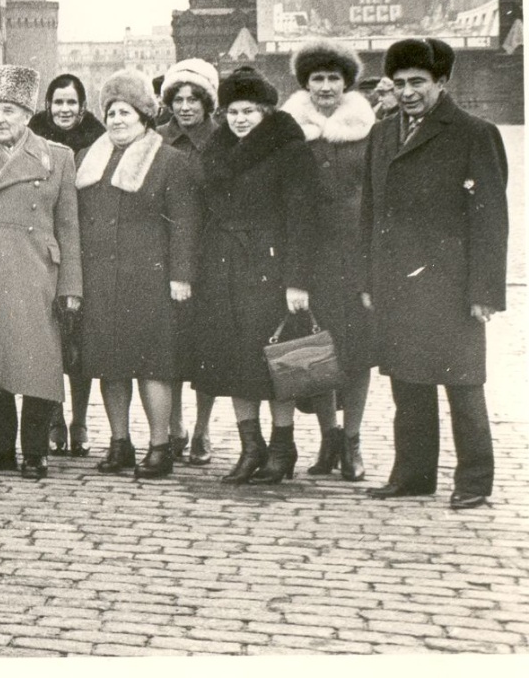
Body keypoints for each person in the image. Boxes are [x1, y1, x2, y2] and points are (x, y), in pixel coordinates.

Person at [364, 38, 509, 511]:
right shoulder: (382, 134)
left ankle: (474, 480)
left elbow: (490, 218)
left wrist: (485, 290)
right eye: (399, 83)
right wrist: (369, 279)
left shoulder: (473, 132)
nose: (407, 92)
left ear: (442, 83)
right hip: (397, 282)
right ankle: (413, 474)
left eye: (418, 83)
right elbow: (371, 211)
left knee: (463, 384)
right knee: (407, 382)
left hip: (451, 285)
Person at [185, 66, 318, 485]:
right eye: (232, 112)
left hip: (270, 267)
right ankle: (251, 447)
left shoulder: (290, 149)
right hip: (222, 268)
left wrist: (297, 280)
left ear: (265, 111)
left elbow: (303, 218)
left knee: (274, 360)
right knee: (232, 360)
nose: (239, 119)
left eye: (249, 111)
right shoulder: (216, 150)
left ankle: (282, 448)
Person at [0, 64, 81, 480]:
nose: (0, 118)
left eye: (9, 110)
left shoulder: (57, 157)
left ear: (27, 114)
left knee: (37, 362)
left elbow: (69, 226)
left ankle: (35, 450)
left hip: (37, 269)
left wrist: (71, 284)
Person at [72, 70, 200, 479]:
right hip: (101, 281)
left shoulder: (169, 160)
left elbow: (185, 223)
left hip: (149, 280)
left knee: (153, 366)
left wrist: (181, 275)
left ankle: (160, 446)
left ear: (144, 115)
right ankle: (119, 442)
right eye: (111, 112)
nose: (117, 120)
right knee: (110, 365)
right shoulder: (88, 160)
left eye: (125, 112)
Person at [279, 40, 377, 481]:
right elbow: (286, 206)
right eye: (317, 78)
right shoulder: (290, 132)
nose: (325, 86)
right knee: (317, 355)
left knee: (356, 357)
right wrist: (294, 277)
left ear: (347, 82)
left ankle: (352, 443)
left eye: (333, 78)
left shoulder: (369, 131)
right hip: (310, 262)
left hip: (356, 261)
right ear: (305, 83)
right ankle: (328, 438)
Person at [28, 73, 105, 457]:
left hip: (84, 249)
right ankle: (54, 417)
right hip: (42, 250)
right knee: (48, 341)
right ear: (47, 106)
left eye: (71, 103)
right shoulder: (32, 141)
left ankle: (80, 419)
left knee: (79, 347)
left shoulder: (100, 142)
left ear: (83, 106)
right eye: (58, 102)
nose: (64, 110)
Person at [157, 57, 221, 465]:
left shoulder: (223, 139)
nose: (185, 107)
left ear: (207, 102)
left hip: (213, 253)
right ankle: (175, 425)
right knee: (173, 345)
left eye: (193, 99)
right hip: (168, 253)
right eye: (177, 99)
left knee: (208, 348)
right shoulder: (158, 139)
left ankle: (202, 427)